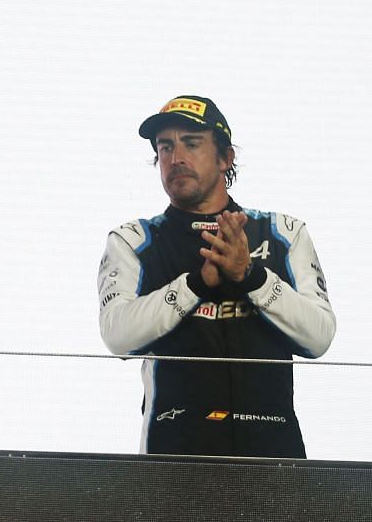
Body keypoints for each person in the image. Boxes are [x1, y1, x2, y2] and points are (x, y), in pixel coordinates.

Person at [97, 95, 334, 456]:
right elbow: (118, 335)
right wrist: (195, 285)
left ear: (226, 157)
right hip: (172, 462)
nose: (175, 158)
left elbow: (319, 337)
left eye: (191, 144)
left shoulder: (285, 233)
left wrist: (251, 277)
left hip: (275, 464)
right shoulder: (134, 240)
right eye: (165, 147)